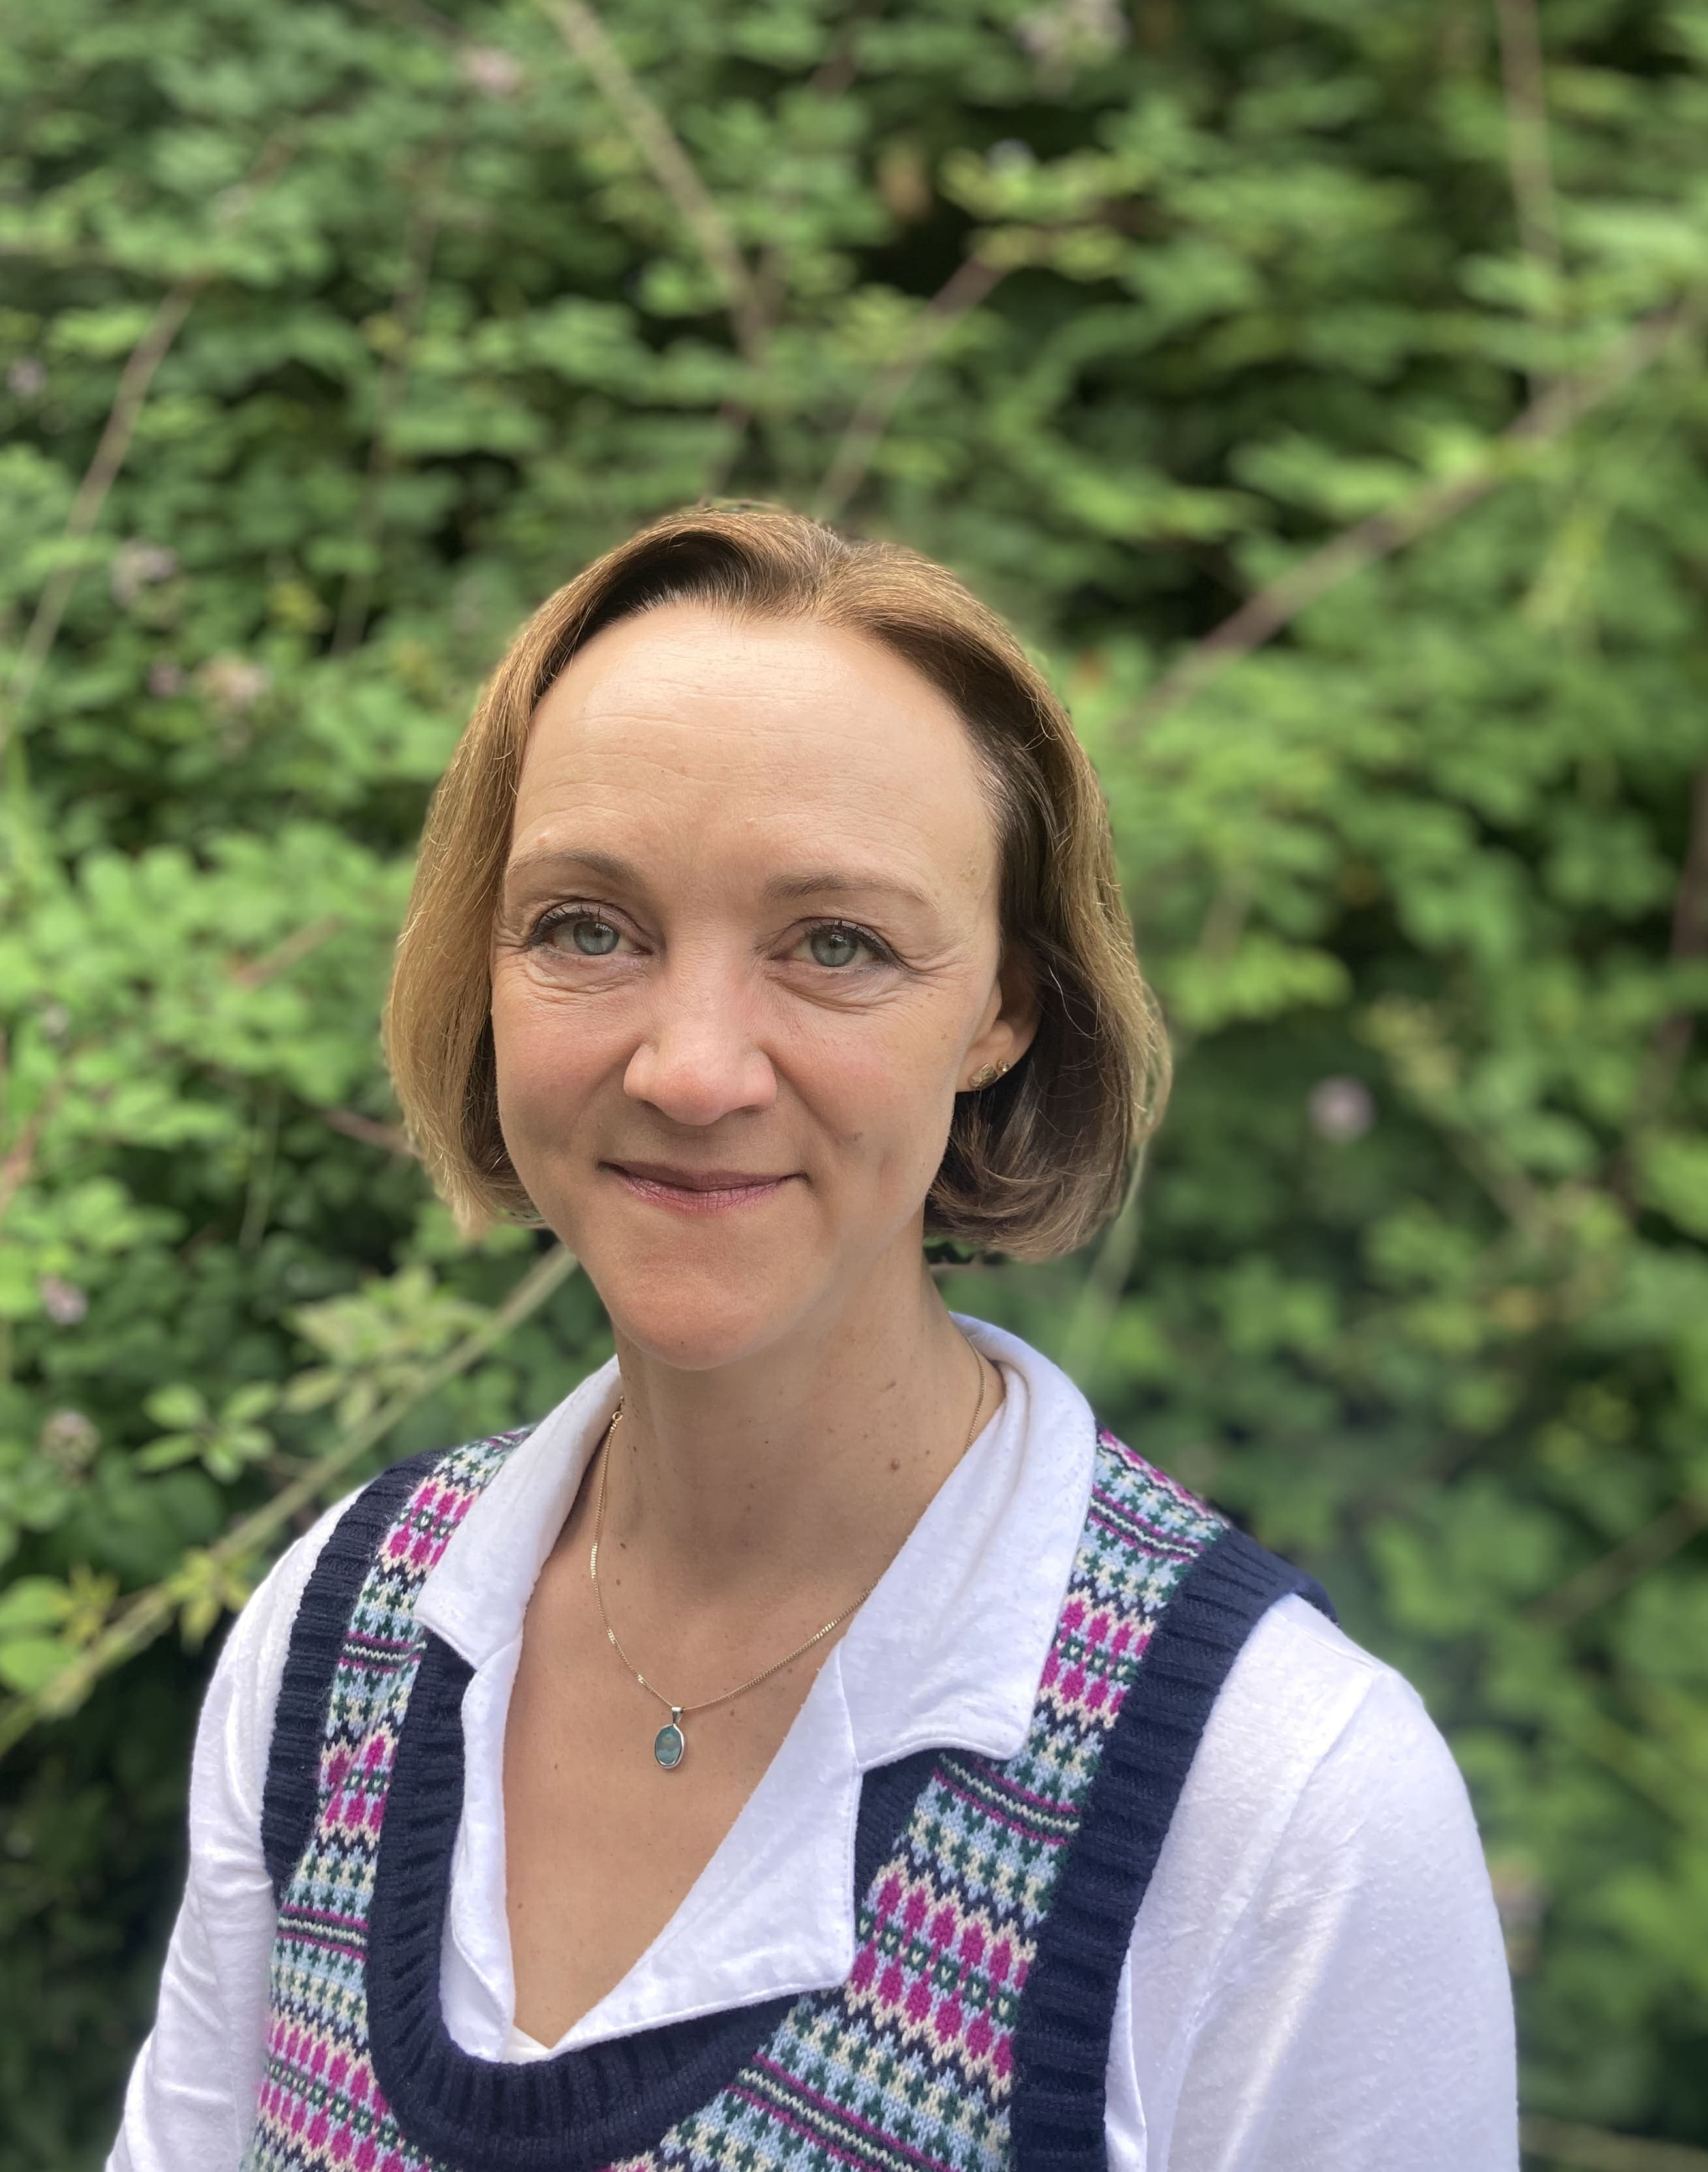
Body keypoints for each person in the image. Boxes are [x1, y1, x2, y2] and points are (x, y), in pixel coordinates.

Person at [109, 504, 1517, 2172]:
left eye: (835, 944)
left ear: (1005, 1003)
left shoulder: (1273, 1810)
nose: (691, 1068)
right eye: (586, 927)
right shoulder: (337, 1639)